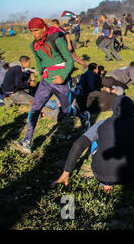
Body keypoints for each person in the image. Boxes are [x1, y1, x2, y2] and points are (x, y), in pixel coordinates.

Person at [14, 18, 90, 154]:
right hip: (45, 82)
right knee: (35, 108)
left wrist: (63, 76)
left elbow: (69, 61)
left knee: (66, 110)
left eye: (35, 30)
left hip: (61, 82)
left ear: (44, 28)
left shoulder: (57, 41)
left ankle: (84, 116)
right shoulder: (34, 45)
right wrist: (41, 74)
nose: (33, 34)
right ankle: (27, 141)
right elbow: (38, 61)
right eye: (31, 31)